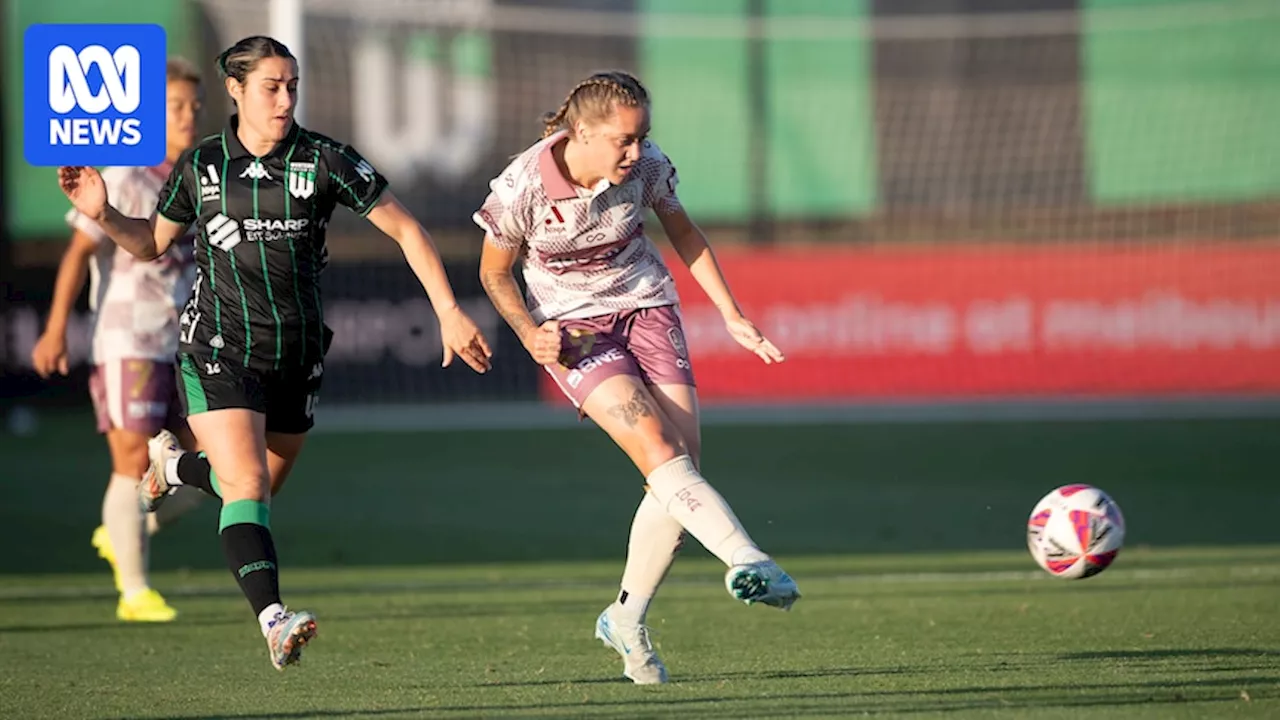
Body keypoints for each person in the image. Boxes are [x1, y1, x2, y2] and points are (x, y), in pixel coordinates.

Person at [57, 36, 493, 670]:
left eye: (292, 85)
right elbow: (151, 243)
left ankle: (175, 469)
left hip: (298, 353)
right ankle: (274, 620)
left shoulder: (324, 159)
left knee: (255, 492)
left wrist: (449, 310)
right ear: (235, 90)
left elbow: (405, 228)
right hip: (217, 347)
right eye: (271, 85)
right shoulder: (202, 166)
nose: (285, 98)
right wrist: (104, 215)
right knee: (249, 482)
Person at [475, 70, 800, 685]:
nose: (637, 150)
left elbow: (683, 232)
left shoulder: (647, 167)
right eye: (624, 139)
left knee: (679, 479)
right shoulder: (522, 187)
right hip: (574, 331)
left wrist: (731, 315)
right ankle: (748, 559)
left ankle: (625, 620)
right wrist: (527, 332)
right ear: (583, 133)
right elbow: (495, 273)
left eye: (642, 136)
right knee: (658, 450)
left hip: (649, 308)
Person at [33, 58, 210, 623]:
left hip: (182, 343)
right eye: (175, 106)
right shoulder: (127, 174)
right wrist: (57, 326)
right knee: (133, 463)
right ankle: (134, 592)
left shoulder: (194, 179)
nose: (188, 116)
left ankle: (124, 528)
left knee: (208, 465)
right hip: (128, 339)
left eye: (194, 106)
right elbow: (78, 253)